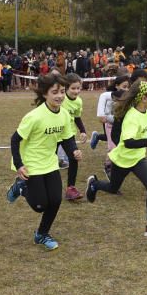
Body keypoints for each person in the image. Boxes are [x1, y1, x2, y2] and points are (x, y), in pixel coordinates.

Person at [85, 78, 147, 238]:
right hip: (122, 159)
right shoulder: (131, 116)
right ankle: (94, 184)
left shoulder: (146, 111)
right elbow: (128, 142)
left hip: (138, 159)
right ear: (143, 98)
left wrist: (146, 142)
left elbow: (138, 137)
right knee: (113, 188)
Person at [7, 73, 79, 251]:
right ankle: (21, 187)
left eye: (62, 91)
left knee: (55, 200)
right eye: (55, 92)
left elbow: (67, 138)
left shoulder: (64, 114)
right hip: (31, 163)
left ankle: (41, 234)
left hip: (50, 162)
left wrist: (74, 151)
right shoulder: (34, 117)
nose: (60, 96)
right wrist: (19, 165)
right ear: (45, 94)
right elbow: (15, 140)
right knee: (40, 206)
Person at [60, 73, 88, 201]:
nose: (76, 91)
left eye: (78, 88)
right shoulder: (60, 98)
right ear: (66, 88)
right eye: (73, 88)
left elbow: (77, 117)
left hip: (68, 134)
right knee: (48, 160)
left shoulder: (79, 101)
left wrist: (82, 130)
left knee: (74, 158)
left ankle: (70, 188)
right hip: (54, 134)